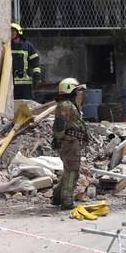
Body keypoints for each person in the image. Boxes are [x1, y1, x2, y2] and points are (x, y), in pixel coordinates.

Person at [51, 78, 88, 210]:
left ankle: (57, 197)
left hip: (72, 142)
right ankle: (66, 201)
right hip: (70, 143)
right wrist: (59, 139)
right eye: (76, 90)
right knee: (72, 171)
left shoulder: (68, 104)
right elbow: (59, 126)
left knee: (69, 171)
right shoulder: (65, 105)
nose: (78, 93)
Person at [11, 23, 41, 100]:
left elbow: (36, 63)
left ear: (18, 32)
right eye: (10, 31)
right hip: (11, 82)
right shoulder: (8, 46)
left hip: (25, 83)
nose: (11, 33)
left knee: (26, 105)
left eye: (13, 31)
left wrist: (37, 79)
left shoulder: (27, 46)